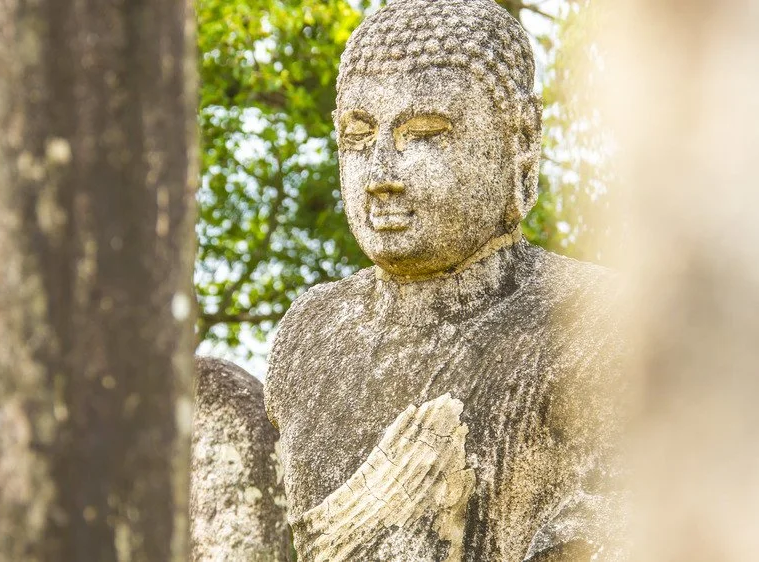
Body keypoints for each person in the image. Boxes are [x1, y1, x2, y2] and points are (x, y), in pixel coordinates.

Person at [265, 0, 625, 560]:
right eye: (358, 137)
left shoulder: (594, 320)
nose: (380, 174)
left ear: (521, 143)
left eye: (424, 133)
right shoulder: (308, 337)